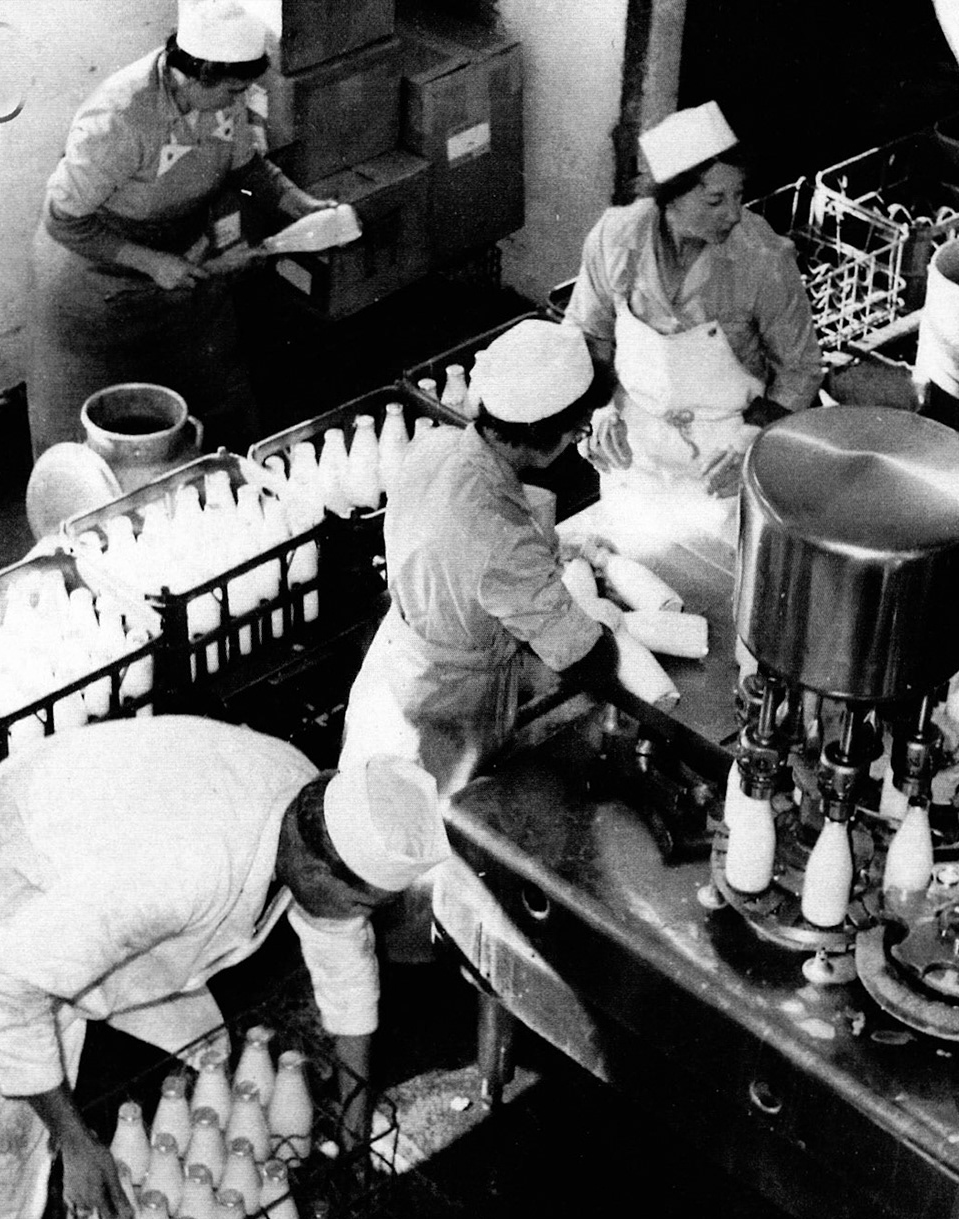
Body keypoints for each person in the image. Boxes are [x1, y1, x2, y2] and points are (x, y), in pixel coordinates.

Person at [0, 716, 448, 1219]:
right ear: (319, 870)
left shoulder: (305, 808)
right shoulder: (189, 870)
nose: (360, 919)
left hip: (71, 895)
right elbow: (4, 986)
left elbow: (343, 953)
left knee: (178, 1071)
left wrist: (353, 1112)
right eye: (363, 902)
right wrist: (77, 1144)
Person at [25, 0, 334, 459]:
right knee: (104, 439)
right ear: (197, 74)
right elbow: (63, 218)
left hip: (183, 267)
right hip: (96, 285)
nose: (237, 102)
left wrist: (299, 204)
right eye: (232, 91)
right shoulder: (120, 119)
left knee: (217, 409)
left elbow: (250, 169)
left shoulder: (223, 99)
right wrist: (149, 262)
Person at [338, 318, 620, 801]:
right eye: (577, 430)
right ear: (540, 430)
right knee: (421, 831)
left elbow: (464, 561)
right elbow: (586, 658)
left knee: (365, 816)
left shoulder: (436, 446)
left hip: (394, 677)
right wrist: (614, 627)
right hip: (440, 716)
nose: (577, 439)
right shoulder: (501, 537)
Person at [564, 101, 823, 580]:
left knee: (719, 582)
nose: (732, 214)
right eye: (714, 200)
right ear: (671, 196)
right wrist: (596, 413)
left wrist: (751, 441)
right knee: (629, 578)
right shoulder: (617, 239)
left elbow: (800, 369)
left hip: (723, 458)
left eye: (738, 196)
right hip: (634, 450)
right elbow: (587, 336)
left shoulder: (761, 259)